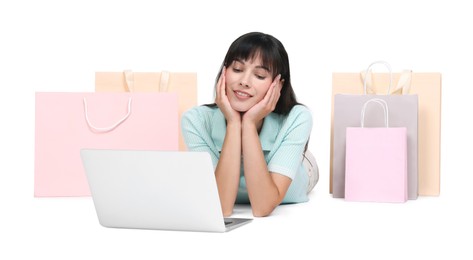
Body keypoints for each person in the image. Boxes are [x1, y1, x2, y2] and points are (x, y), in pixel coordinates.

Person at [181, 32, 318, 217]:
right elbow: (221, 207)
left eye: (260, 75)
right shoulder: (195, 120)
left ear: (277, 85)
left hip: (302, 171)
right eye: (237, 69)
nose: (244, 82)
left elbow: (262, 207)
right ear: (224, 71)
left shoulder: (297, 117)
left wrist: (250, 123)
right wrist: (234, 123)